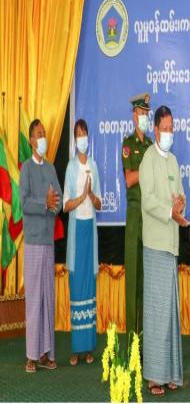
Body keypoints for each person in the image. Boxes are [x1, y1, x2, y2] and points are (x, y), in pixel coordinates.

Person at [139, 105, 188, 396]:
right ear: (155, 130)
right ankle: (154, 377)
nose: (169, 133)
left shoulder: (174, 161)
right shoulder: (148, 159)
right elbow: (148, 201)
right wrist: (171, 211)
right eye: (165, 129)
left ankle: (170, 372)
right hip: (155, 243)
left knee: (169, 311)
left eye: (172, 128)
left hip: (171, 243)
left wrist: (180, 203)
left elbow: (180, 194)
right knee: (156, 312)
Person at [20, 118, 62, 373]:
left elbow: (58, 201)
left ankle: (46, 354)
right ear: (31, 141)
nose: (43, 137)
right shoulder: (26, 169)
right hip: (34, 242)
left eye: (45, 133)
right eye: (39, 133)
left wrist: (52, 205)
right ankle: (31, 356)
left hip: (48, 241)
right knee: (34, 299)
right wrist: (44, 203)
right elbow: (24, 203)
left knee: (47, 298)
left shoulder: (50, 168)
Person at [63, 119, 101, 367]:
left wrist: (92, 196)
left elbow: (99, 203)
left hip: (90, 231)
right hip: (77, 232)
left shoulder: (94, 166)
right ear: (75, 140)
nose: (82, 138)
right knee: (77, 286)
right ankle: (76, 349)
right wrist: (81, 196)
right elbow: (66, 205)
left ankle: (88, 348)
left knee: (89, 288)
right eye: (78, 134)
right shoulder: (70, 167)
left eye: (84, 133)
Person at [122, 93, 152, 339]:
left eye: (146, 114)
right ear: (134, 115)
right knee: (132, 279)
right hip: (134, 216)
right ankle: (132, 342)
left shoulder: (151, 145)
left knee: (147, 281)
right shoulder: (128, 144)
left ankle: (145, 340)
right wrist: (146, 168)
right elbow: (129, 179)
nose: (144, 117)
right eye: (141, 113)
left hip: (150, 216)